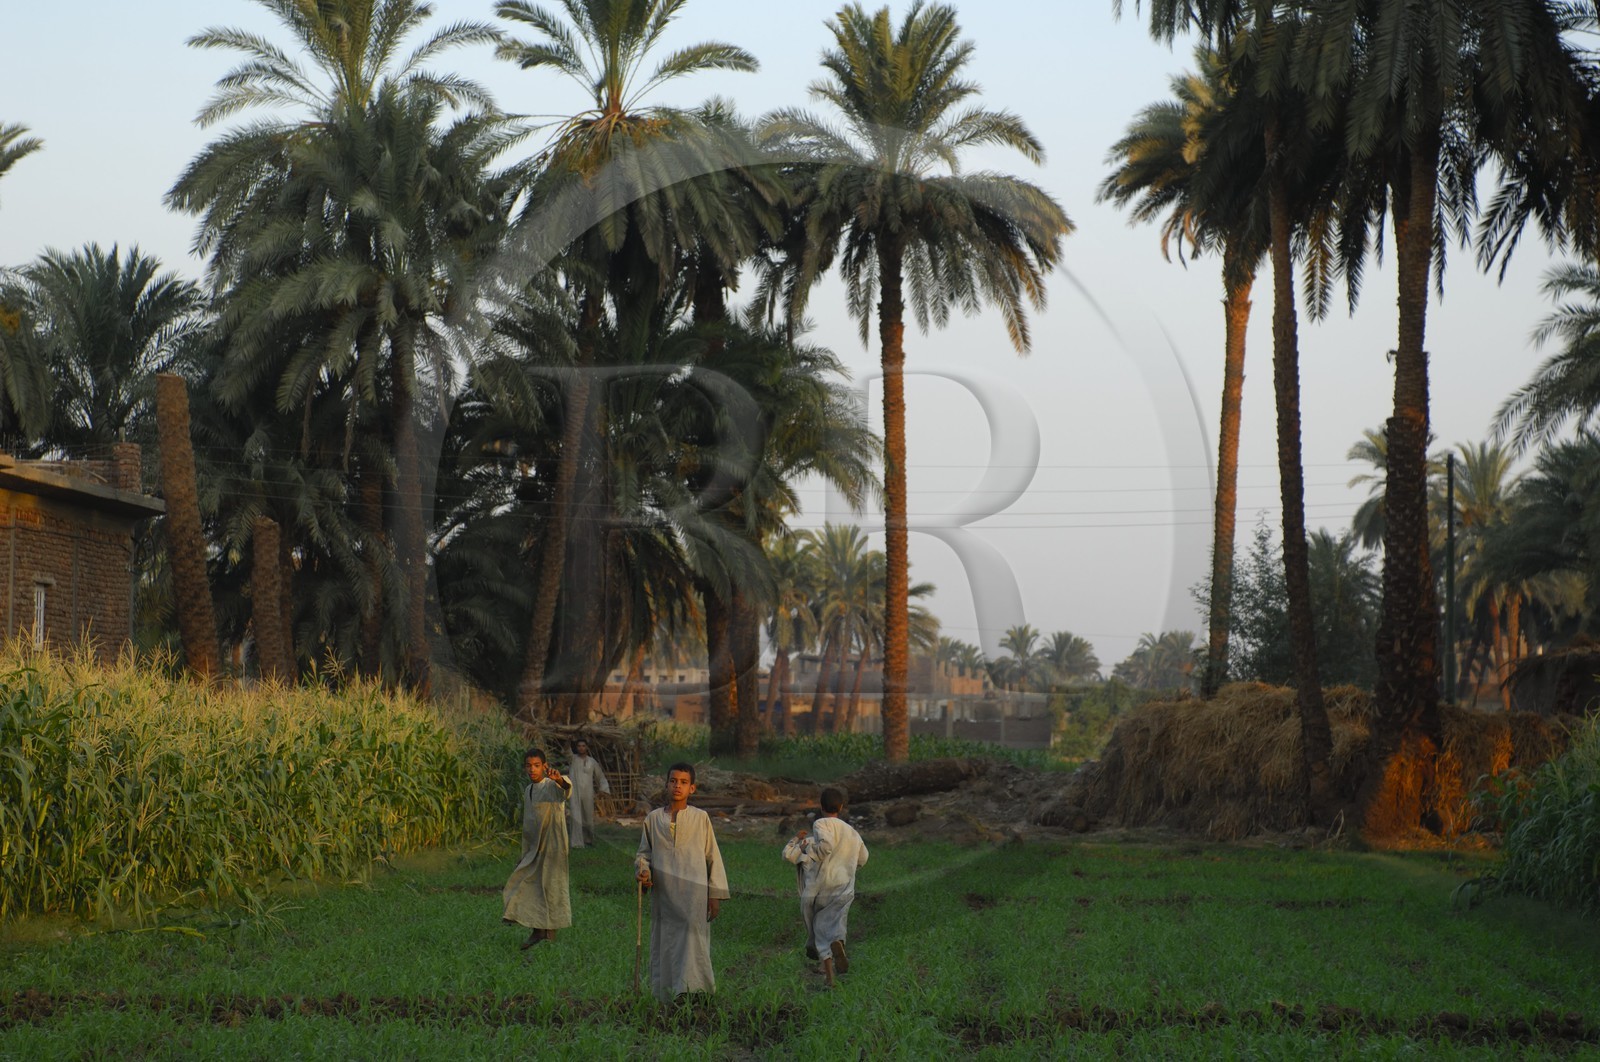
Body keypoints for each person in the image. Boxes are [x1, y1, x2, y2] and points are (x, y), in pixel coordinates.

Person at [634, 762, 729, 1002]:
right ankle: (668, 994)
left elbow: (712, 855)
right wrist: (643, 871)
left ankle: (695, 992)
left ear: (692, 788)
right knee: (665, 941)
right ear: (666, 784)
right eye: (673, 781)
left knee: (693, 941)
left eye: (684, 782)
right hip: (664, 894)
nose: (678, 786)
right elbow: (644, 854)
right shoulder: (653, 819)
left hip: (694, 894)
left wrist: (715, 894)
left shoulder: (700, 818)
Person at [782, 786, 867, 987]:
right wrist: (849, 865)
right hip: (844, 886)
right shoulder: (852, 832)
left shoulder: (819, 826)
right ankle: (839, 943)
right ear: (841, 807)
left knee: (820, 931)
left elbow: (821, 847)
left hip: (822, 888)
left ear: (821, 807)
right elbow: (863, 857)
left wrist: (812, 851)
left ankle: (829, 978)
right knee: (838, 922)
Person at [502, 748, 572, 949]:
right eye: (528, 766)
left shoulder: (552, 785)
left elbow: (565, 788)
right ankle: (537, 930)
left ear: (544, 766)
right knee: (528, 884)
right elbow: (529, 823)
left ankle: (548, 935)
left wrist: (559, 779)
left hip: (553, 846)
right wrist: (524, 853)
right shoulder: (528, 790)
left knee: (551, 888)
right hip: (533, 848)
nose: (532, 769)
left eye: (536, 765)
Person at [566, 739, 611, 848]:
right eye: (579, 746)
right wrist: (567, 742)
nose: (581, 748)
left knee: (588, 817)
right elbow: (566, 751)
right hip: (575, 793)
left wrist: (603, 789)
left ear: (587, 747)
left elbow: (600, 776)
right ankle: (576, 843)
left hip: (588, 793)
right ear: (576, 747)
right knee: (575, 816)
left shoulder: (592, 762)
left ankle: (588, 840)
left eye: (583, 746)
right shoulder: (573, 759)